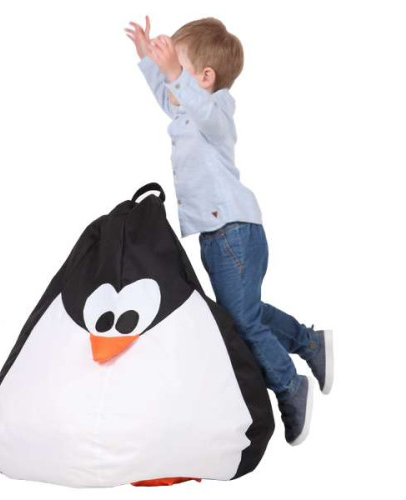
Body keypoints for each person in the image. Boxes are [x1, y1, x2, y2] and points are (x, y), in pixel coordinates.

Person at [125, 16, 333, 445]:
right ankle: (311, 344)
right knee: (247, 313)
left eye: (179, 69)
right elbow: (169, 97)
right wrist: (148, 59)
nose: (171, 80)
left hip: (233, 231)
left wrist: (173, 73)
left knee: (241, 321)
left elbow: (196, 106)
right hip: (218, 234)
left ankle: (289, 386)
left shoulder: (217, 111)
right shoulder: (185, 111)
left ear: (204, 77)